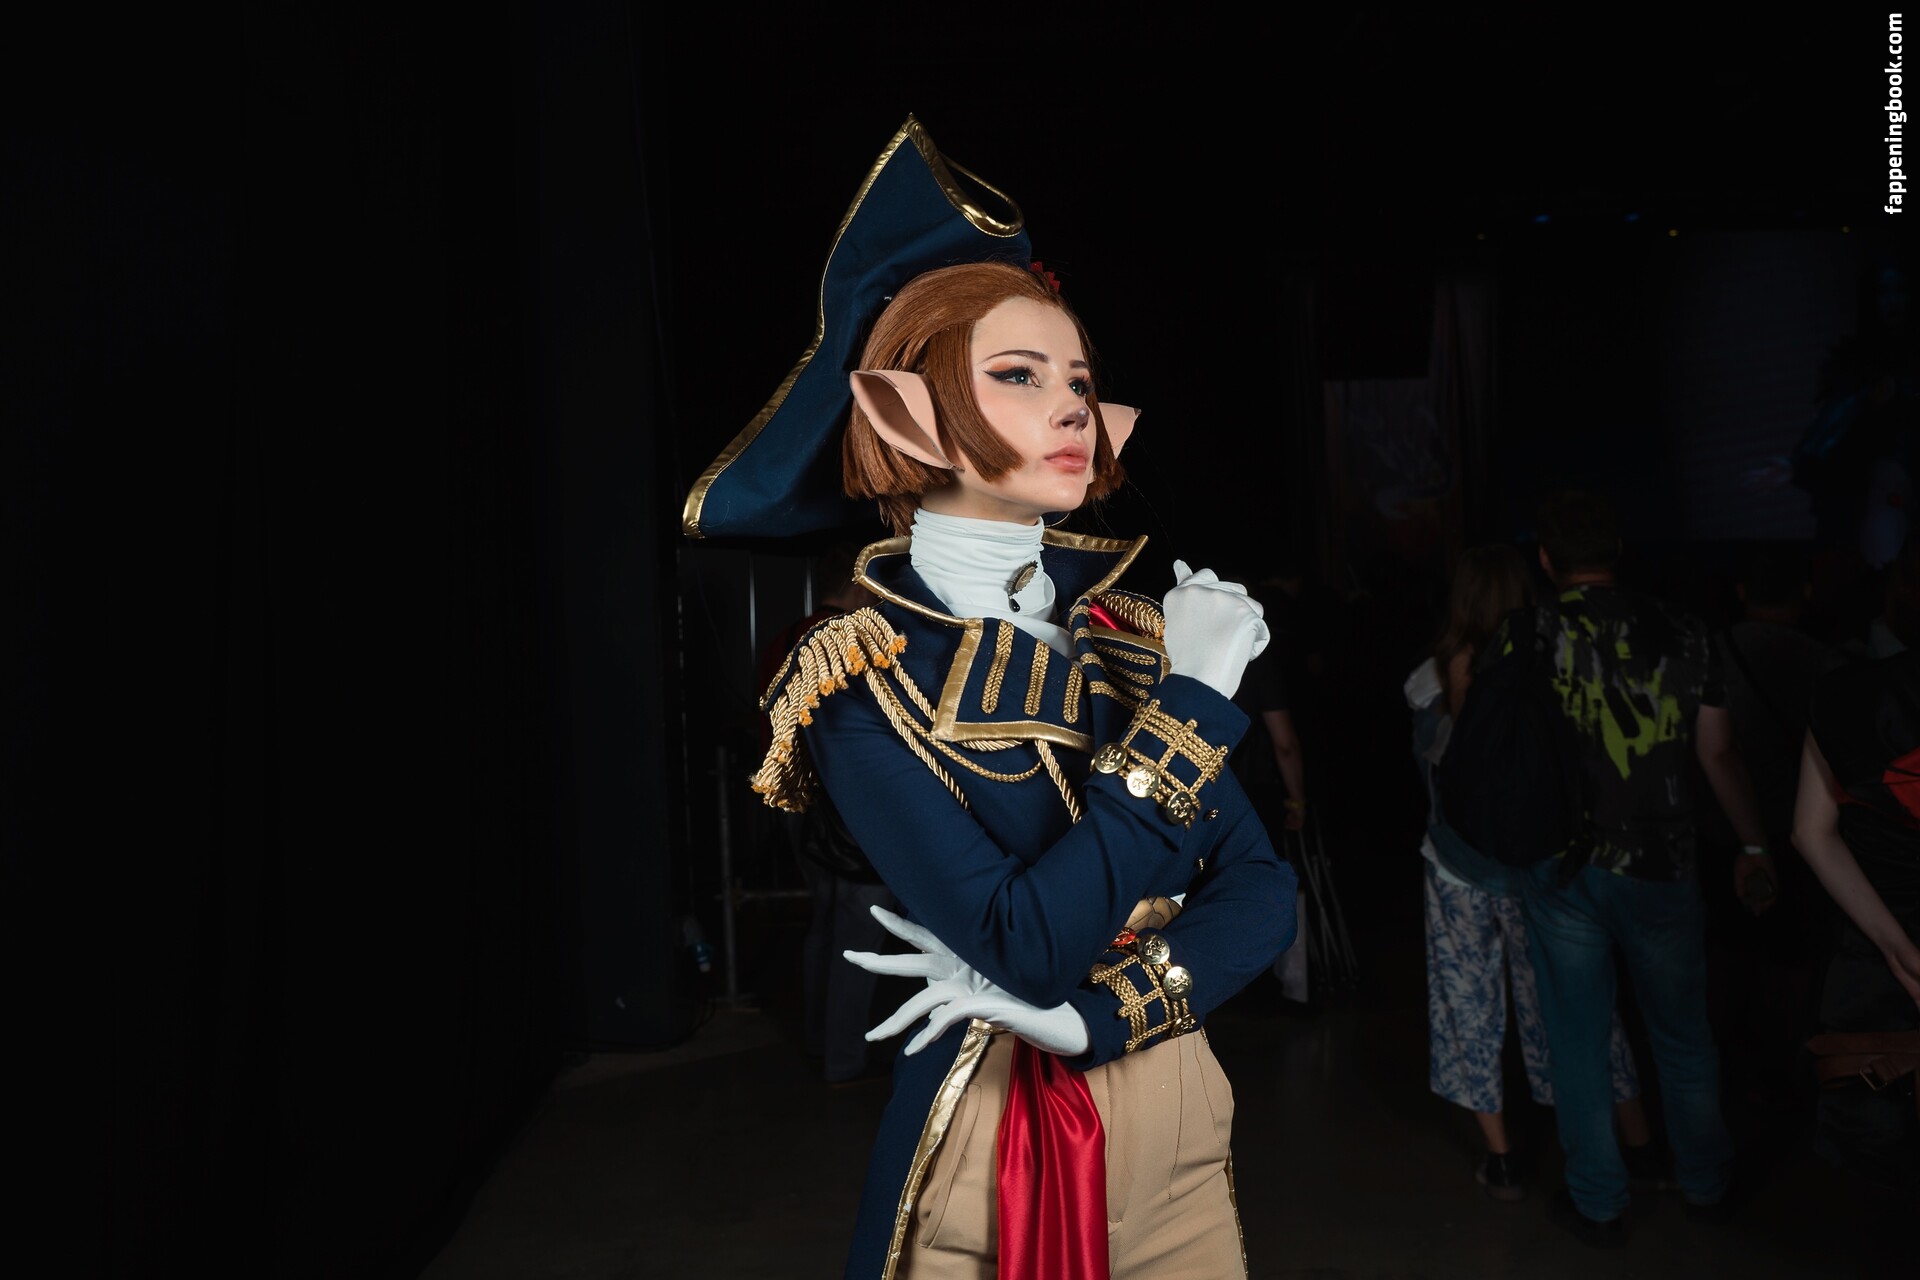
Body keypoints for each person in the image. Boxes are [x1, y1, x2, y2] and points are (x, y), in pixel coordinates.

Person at [683, 118, 1296, 1280]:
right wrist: (1195, 701)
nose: (1072, 406)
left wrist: (1092, 1018)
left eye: (1080, 380)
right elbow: (1030, 941)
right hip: (997, 1132)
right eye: (1019, 374)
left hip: (1178, 1109)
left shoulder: (1129, 634)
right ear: (905, 413)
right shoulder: (860, 679)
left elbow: (1264, 893)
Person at [1510, 489, 1772, 1246]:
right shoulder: (1685, 630)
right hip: (1664, 862)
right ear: (1618, 552)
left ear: (1547, 559)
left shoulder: (1528, 633)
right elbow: (1718, 752)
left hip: (1561, 864)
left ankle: (1599, 1202)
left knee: (1579, 1040)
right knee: (1683, 1035)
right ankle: (1706, 1185)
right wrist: (1756, 846)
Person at [1408, 544, 1648, 1204]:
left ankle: (1504, 1158)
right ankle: (1639, 1142)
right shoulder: (1558, 659)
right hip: (1547, 866)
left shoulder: (1434, 677)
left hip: (1458, 867)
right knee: (1581, 1005)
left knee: (1469, 1007)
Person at [1792, 533, 1920, 1193]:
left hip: (1878, 964)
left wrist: (1898, 948)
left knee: (1884, 1169)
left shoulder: (1844, 695)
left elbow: (1810, 833)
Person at [756, 544, 904, 1086]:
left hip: (796, 804)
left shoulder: (785, 638)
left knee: (826, 927)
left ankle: (821, 1042)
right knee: (859, 937)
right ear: (860, 582)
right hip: (847, 811)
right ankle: (844, 1061)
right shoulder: (845, 639)